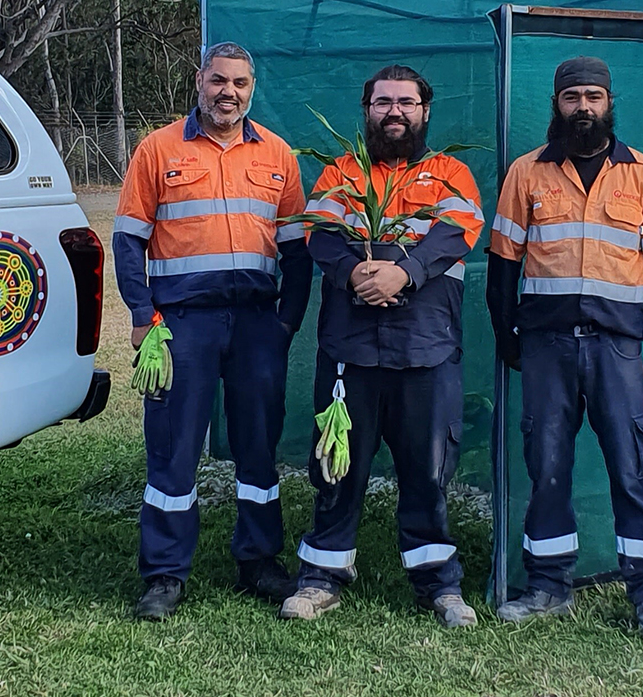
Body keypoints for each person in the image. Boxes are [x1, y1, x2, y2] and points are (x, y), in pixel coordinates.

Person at [276, 65, 484, 626]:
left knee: (428, 468)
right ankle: (322, 575)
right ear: (366, 110)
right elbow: (319, 232)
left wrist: (404, 274)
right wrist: (355, 274)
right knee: (336, 463)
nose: (395, 112)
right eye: (383, 102)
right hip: (352, 348)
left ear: (425, 110)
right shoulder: (342, 173)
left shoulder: (451, 174)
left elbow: (459, 231)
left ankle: (438, 584)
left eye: (407, 102)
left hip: (426, 348)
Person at [113, 41, 313, 621]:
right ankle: (165, 574)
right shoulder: (158, 149)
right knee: (173, 450)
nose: (229, 92)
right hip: (181, 326)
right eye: (219, 80)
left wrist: (285, 323)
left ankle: (258, 561)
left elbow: (298, 248)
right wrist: (143, 316)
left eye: (241, 84)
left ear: (253, 88)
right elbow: (128, 240)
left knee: (259, 446)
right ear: (199, 81)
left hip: (256, 324)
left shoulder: (277, 154)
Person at [486, 56, 643, 638]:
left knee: (632, 468)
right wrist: (506, 334)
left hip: (615, 349)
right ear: (557, 103)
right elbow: (502, 263)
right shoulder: (528, 172)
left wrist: (623, 312)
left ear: (610, 101)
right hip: (545, 346)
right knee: (547, 466)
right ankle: (548, 585)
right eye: (573, 97)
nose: (584, 107)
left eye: (594, 96)